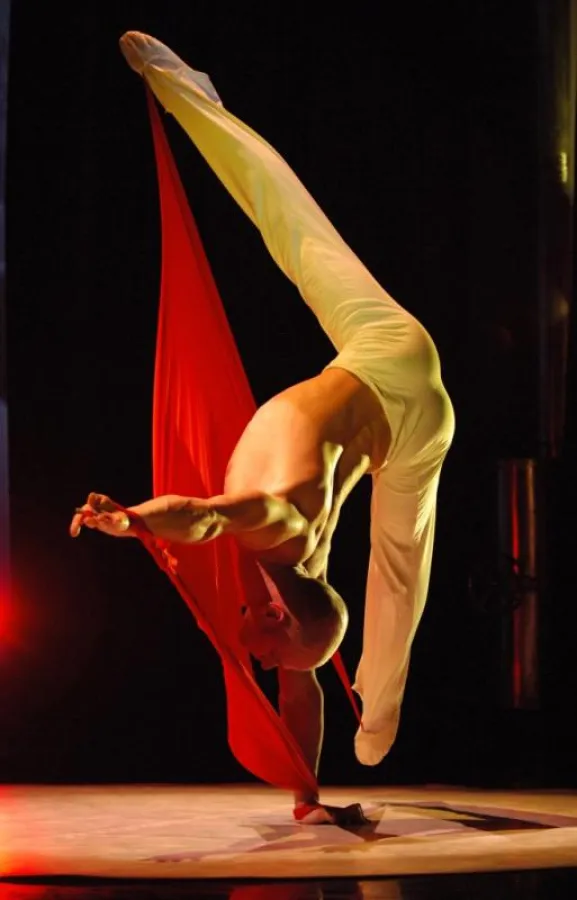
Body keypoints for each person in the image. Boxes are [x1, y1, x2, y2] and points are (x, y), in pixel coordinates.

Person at [70, 32, 455, 823]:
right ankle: (187, 94)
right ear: (279, 614)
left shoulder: (299, 584)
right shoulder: (277, 528)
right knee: (292, 227)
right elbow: (201, 514)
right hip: (393, 369)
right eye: (267, 651)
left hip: (389, 405)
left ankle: (376, 722)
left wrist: (306, 794)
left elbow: (301, 682)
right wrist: (132, 519)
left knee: (397, 564)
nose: (255, 657)